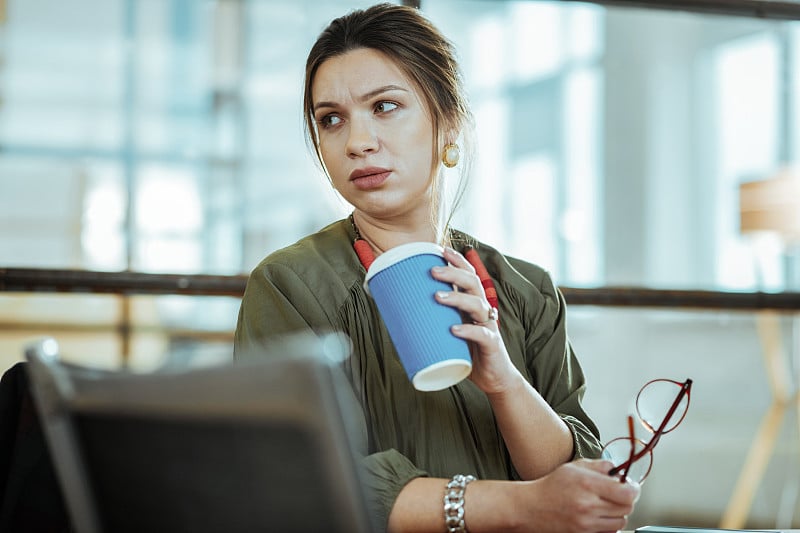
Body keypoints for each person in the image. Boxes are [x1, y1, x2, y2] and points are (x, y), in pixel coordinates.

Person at [234, 3, 639, 532]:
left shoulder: (527, 291)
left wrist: (504, 381)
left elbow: (569, 478)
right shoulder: (291, 286)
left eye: (384, 106)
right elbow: (293, 477)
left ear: (447, 122)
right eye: (330, 119)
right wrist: (519, 507)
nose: (357, 142)